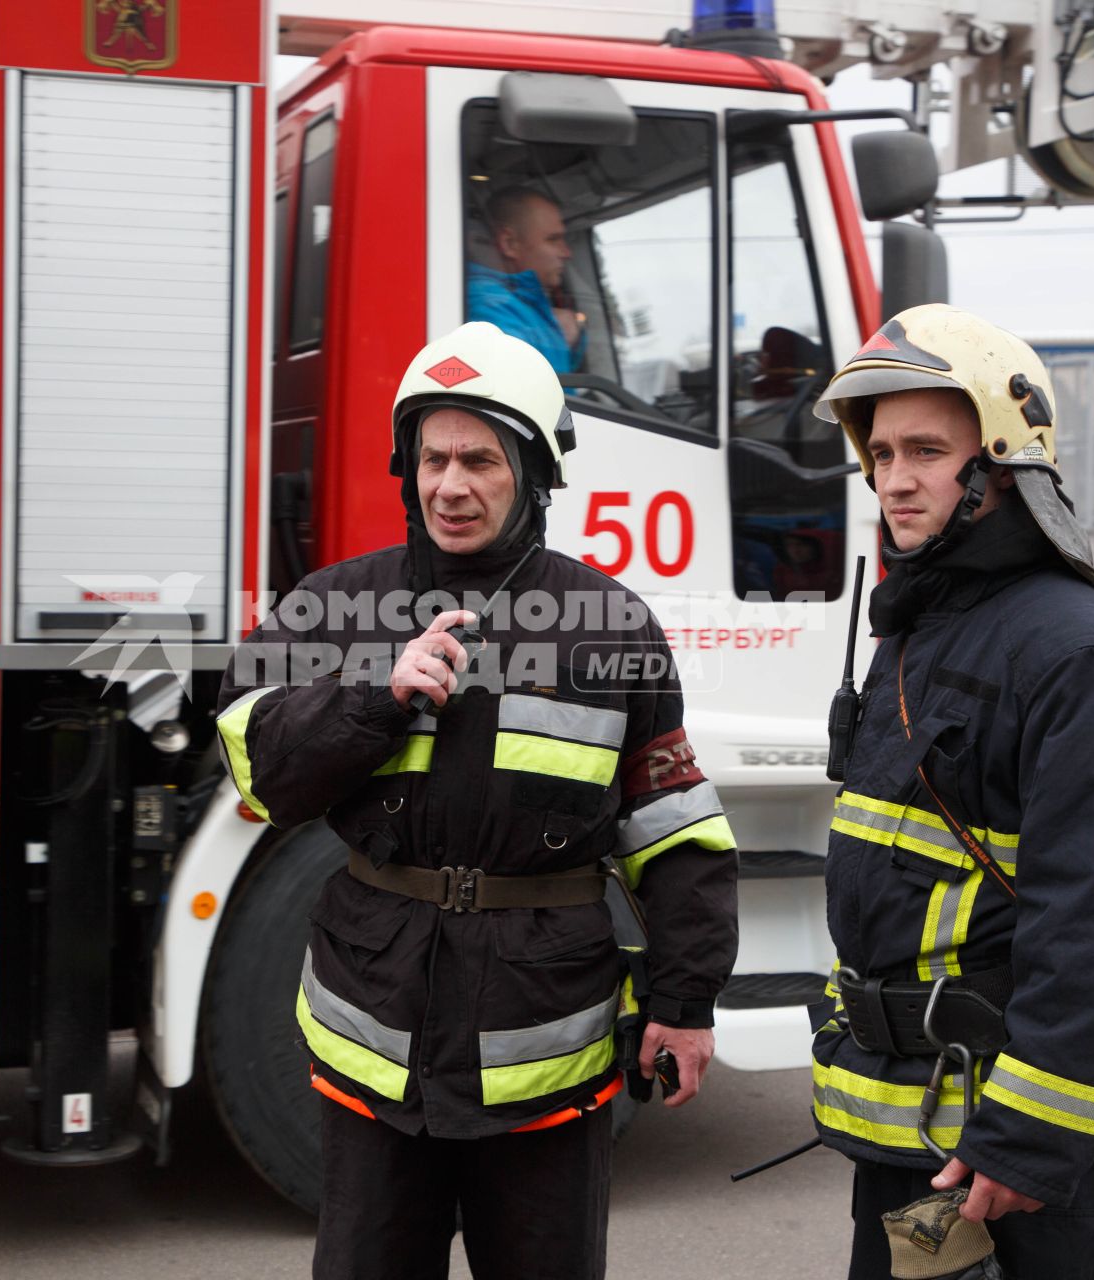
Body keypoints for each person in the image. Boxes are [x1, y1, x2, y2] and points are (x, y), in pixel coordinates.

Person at [215, 321, 737, 1279]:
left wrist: (686, 999)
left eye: (480, 460)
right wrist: (372, 694)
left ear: (533, 471)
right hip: (375, 1046)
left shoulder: (609, 625)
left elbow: (676, 830)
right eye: (432, 458)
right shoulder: (337, 605)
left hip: (547, 1055)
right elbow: (258, 765)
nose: (450, 484)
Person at [808, 305, 1094, 1280]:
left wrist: (1027, 1136)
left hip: (1024, 1173)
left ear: (1003, 460)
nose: (894, 476)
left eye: (926, 447)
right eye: (882, 450)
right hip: (921, 1149)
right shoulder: (920, 633)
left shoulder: (1077, 653)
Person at [467, 187, 586, 373]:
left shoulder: (521, 303)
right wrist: (555, 334)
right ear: (509, 244)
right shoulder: (489, 309)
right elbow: (528, 385)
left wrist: (571, 335)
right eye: (553, 239)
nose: (566, 253)